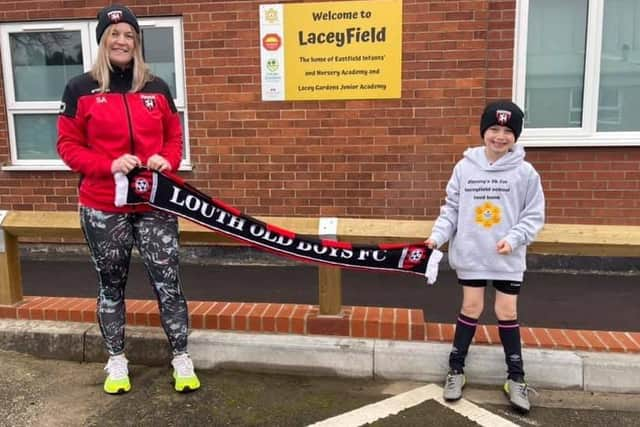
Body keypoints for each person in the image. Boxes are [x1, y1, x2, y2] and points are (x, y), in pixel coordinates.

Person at [57, 4, 199, 394]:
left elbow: (174, 137)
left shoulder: (156, 86)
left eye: (129, 36)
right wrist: (109, 163)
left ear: (137, 43)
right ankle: (116, 361)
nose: (122, 41)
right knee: (111, 286)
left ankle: (181, 357)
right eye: (114, 35)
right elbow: (68, 147)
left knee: (168, 283)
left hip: (155, 206)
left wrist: (165, 160)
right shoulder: (80, 89)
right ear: (103, 41)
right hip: (103, 206)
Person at [425, 100, 545, 413]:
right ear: (484, 131)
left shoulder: (526, 172)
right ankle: (455, 370)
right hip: (472, 252)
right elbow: (450, 209)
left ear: (516, 135)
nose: (500, 136)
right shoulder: (465, 167)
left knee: (506, 312)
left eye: (508, 130)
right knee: (471, 306)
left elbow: (534, 215)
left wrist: (515, 238)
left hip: (507, 257)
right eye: (494, 128)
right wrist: (437, 237)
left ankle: (516, 378)